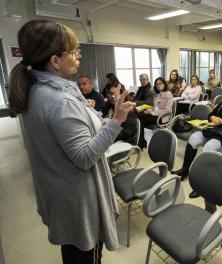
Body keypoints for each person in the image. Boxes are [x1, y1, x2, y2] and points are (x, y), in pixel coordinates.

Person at [8, 20, 134, 263]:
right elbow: (85, 157)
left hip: (61, 196)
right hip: (78, 201)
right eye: (73, 51)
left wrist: (83, 110)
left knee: (72, 250)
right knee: (86, 254)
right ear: (55, 61)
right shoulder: (59, 101)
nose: (78, 56)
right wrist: (116, 120)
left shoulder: (37, 91)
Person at [172, 82, 222, 197]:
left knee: (209, 147)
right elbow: (210, 114)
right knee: (193, 138)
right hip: (214, 131)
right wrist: (213, 117)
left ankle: (202, 183)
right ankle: (185, 169)